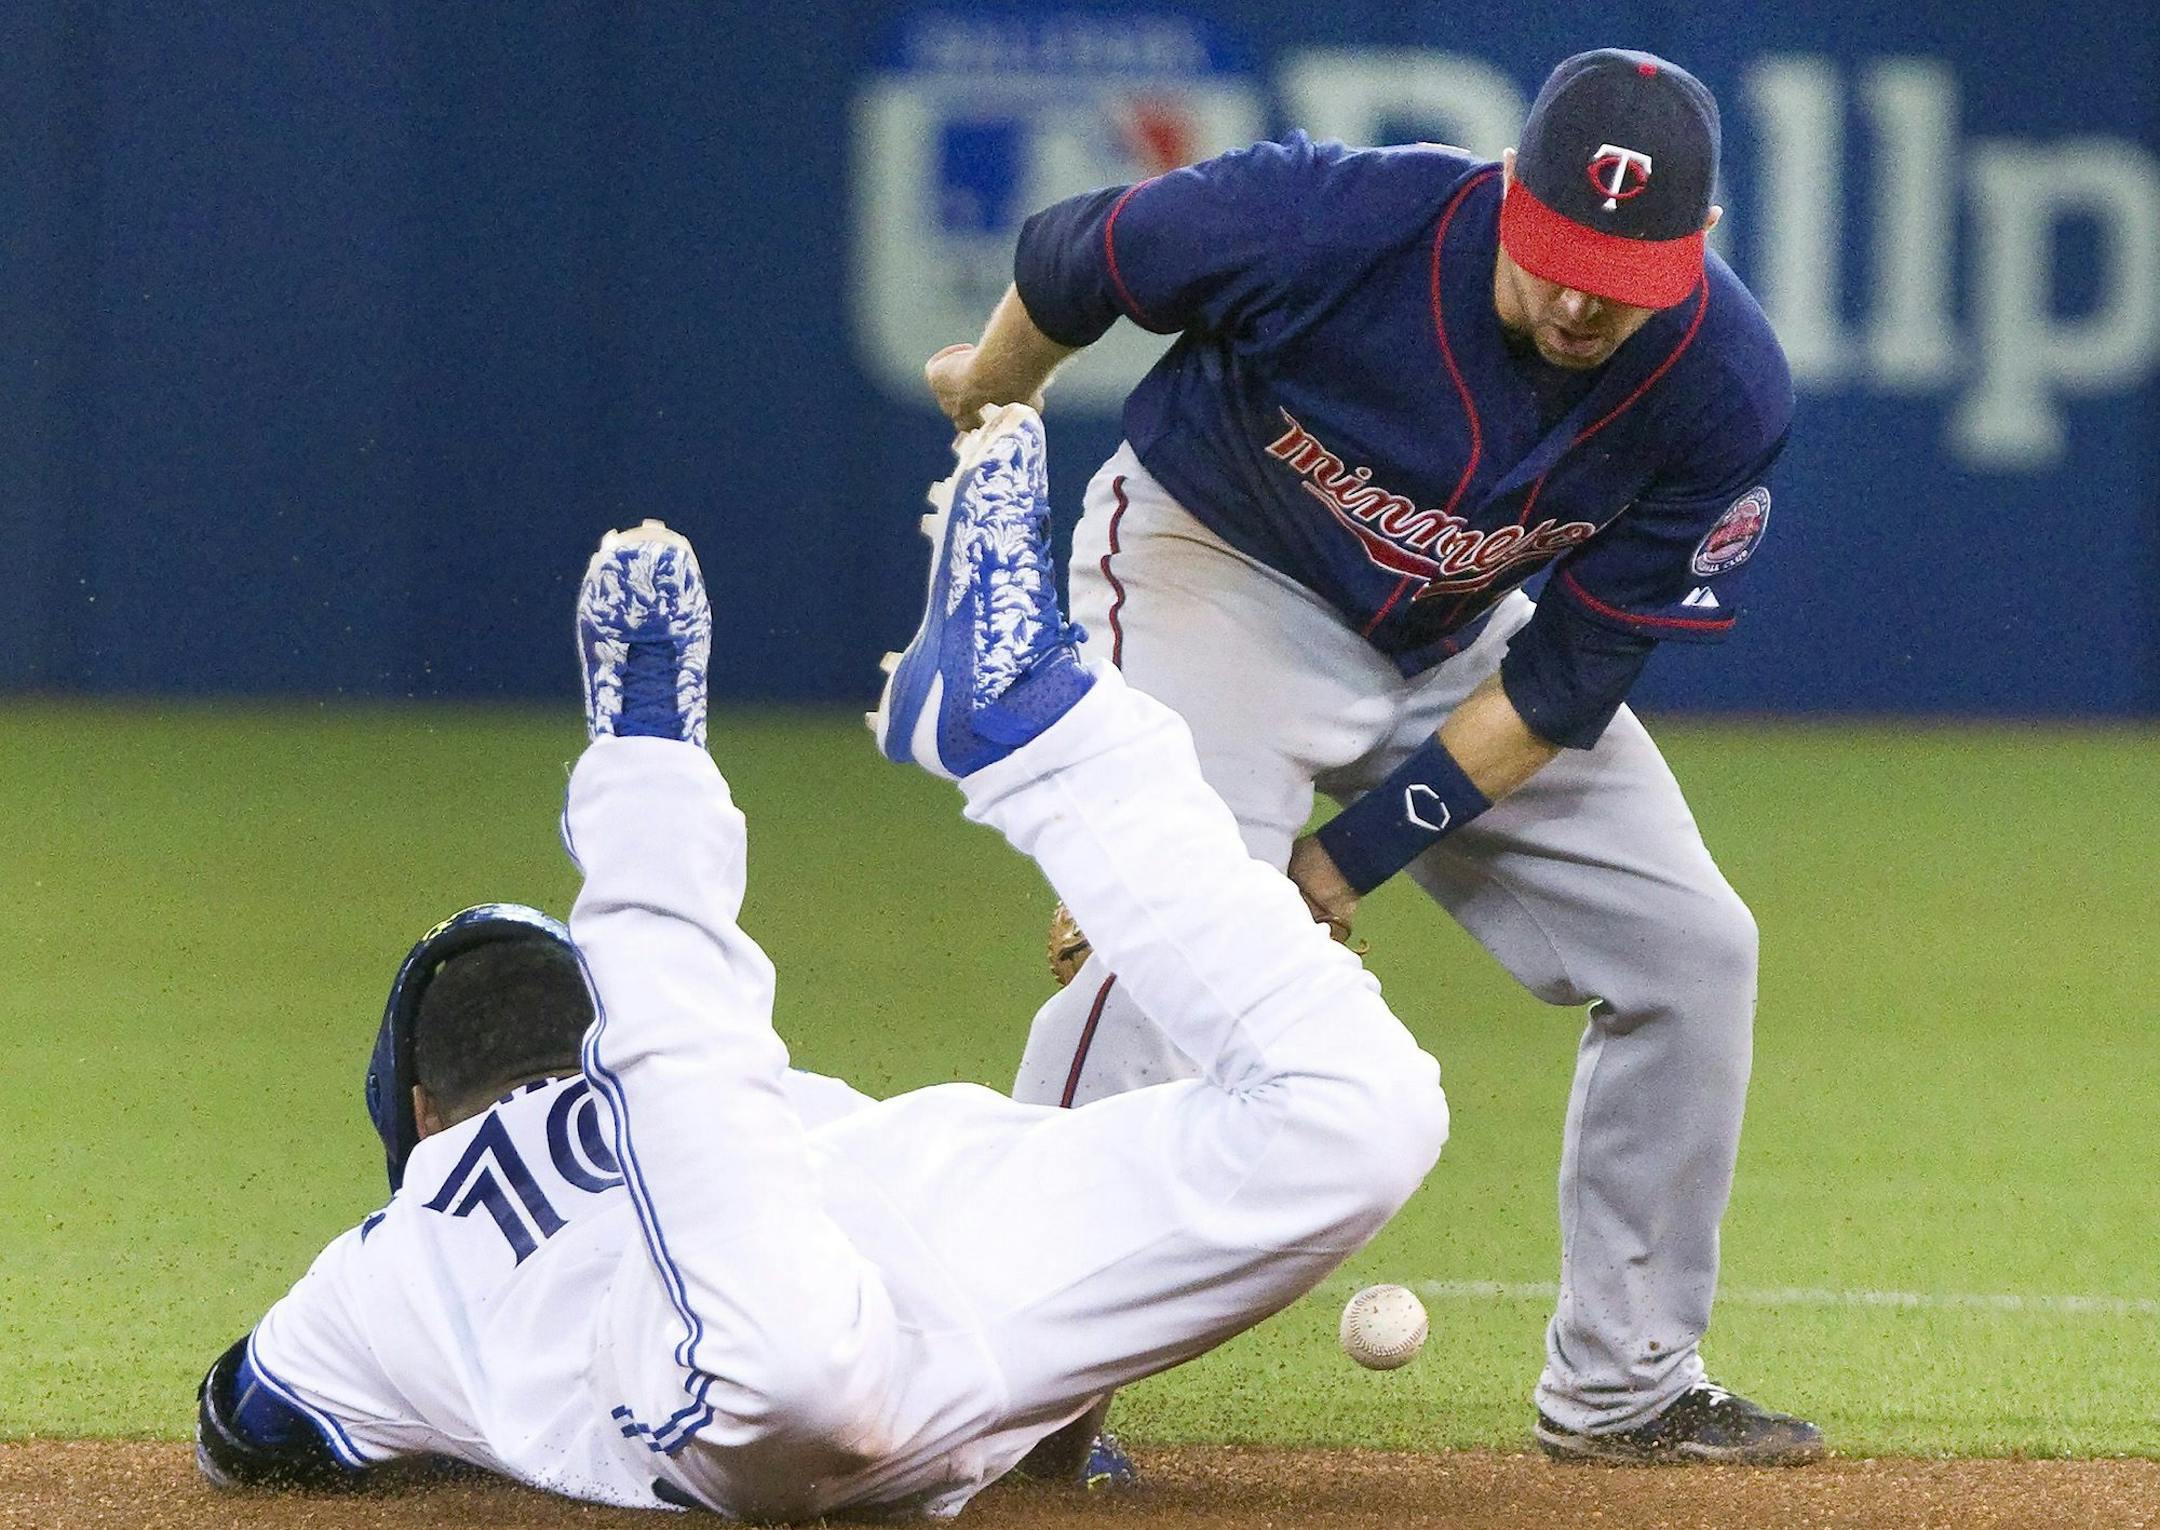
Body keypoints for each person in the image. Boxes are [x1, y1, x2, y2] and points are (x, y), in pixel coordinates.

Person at [193, 405, 1450, 1519]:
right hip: (906, 1253)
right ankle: (1036, 742)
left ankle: (673, 768)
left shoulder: (402, 1250)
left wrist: (458, 1416)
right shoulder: (642, 1128)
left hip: (771, 1368)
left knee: (776, 1308)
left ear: (416, 1113)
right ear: (589, 1036)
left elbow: (243, 1426)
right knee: (1364, 1116)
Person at [925, 49, 1822, 1464]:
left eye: (1627, 272)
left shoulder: (1722, 384)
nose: (1583, 299)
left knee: (1692, 946)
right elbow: (1076, 255)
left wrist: (1343, 862)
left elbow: (1568, 677)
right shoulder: (1333, 218)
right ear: (1508, 190)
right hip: (1209, 566)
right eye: (1559, 256)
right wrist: (990, 397)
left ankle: (1627, 1384)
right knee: (1153, 960)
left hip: (1457, 642)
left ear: (1700, 248)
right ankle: (1006, 1389)